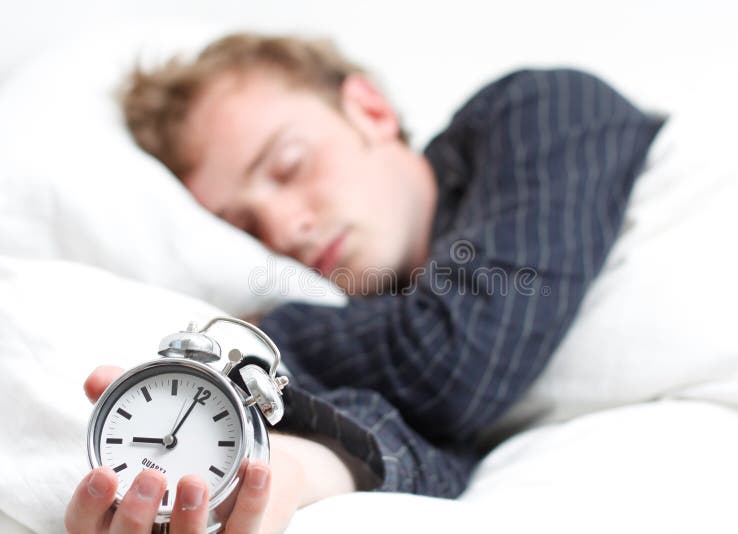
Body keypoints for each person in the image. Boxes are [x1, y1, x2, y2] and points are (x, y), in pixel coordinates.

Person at [65, 33, 664, 533]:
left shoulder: (542, 108)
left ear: (369, 110)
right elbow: (438, 448)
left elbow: (456, 361)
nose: (283, 228)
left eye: (288, 165)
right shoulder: (375, 328)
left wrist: (261, 335)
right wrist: (290, 467)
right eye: (246, 227)